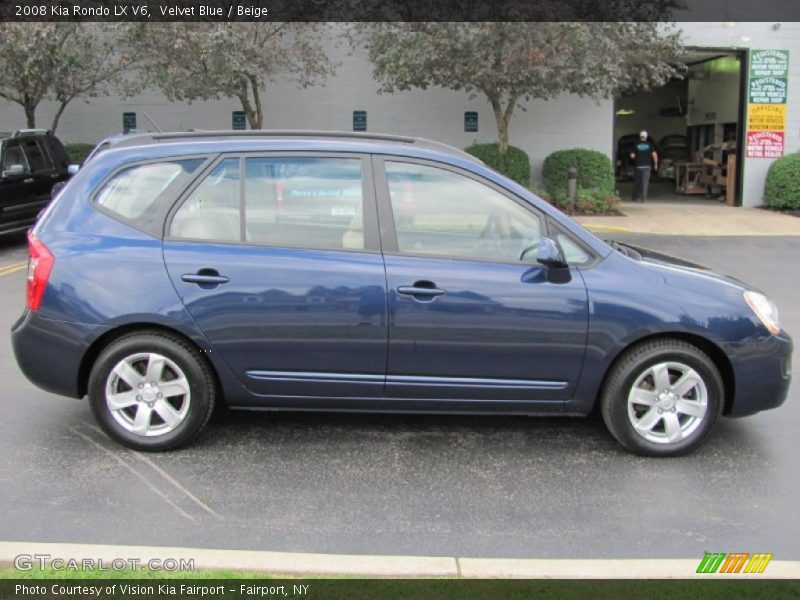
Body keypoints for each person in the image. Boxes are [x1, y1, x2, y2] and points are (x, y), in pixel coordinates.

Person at [629, 130, 658, 202]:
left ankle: (635, 197)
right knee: (645, 183)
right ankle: (644, 199)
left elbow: (632, 156)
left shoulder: (636, 144)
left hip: (638, 166)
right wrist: (656, 164)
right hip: (647, 167)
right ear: (646, 137)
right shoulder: (650, 145)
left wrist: (633, 156)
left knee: (637, 182)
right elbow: (654, 155)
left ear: (640, 136)